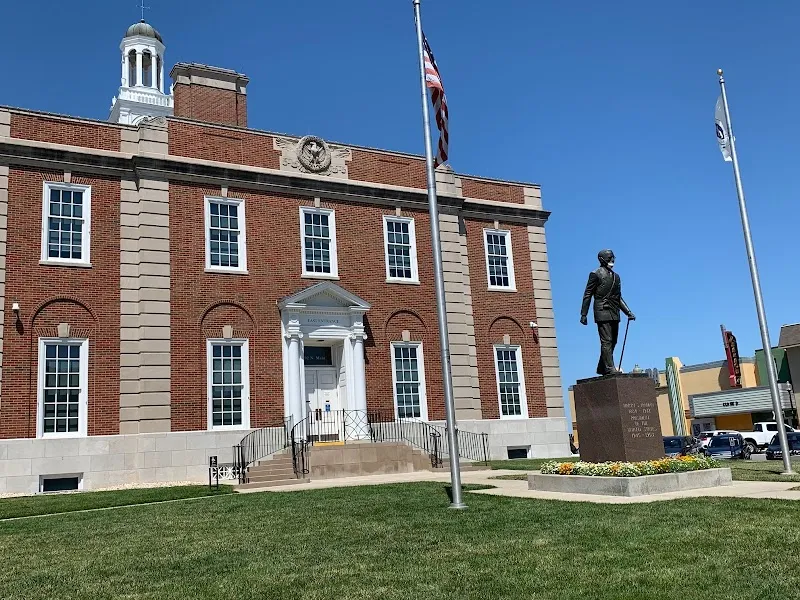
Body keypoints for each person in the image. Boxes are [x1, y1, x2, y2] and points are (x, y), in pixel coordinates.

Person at [580, 249, 635, 375]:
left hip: (614, 312)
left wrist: (628, 312)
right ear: (601, 259)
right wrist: (584, 314)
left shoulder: (616, 277)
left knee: (613, 341)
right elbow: (588, 294)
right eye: (609, 257)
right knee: (607, 341)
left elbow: (618, 297)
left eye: (613, 257)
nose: (612, 260)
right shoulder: (595, 274)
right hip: (602, 311)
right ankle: (610, 368)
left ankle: (602, 367)